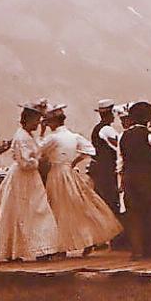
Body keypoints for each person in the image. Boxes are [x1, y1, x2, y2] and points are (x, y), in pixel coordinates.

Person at [38, 103, 123, 255]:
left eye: (49, 122)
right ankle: (86, 239)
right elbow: (91, 150)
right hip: (69, 172)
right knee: (79, 207)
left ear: (54, 122)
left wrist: (41, 132)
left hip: (57, 173)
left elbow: (38, 151)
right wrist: (75, 161)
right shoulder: (73, 136)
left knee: (58, 208)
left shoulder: (53, 138)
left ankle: (61, 246)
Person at [0, 104, 61, 261]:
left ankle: (39, 247)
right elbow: (25, 162)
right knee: (31, 210)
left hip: (28, 178)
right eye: (35, 121)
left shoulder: (25, 135)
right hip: (23, 177)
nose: (37, 124)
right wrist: (38, 162)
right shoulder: (22, 137)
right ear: (28, 120)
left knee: (33, 210)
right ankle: (37, 248)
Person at [119, 101, 151, 258]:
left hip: (129, 177)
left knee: (133, 214)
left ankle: (137, 250)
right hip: (148, 178)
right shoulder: (148, 136)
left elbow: (120, 161)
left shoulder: (123, 136)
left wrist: (122, 178)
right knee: (150, 211)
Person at [89, 100, 122, 220]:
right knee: (110, 199)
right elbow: (119, 146)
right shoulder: (106, 129)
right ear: (109, 114)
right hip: (107, 170)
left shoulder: (98, 129)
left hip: (102, 168)